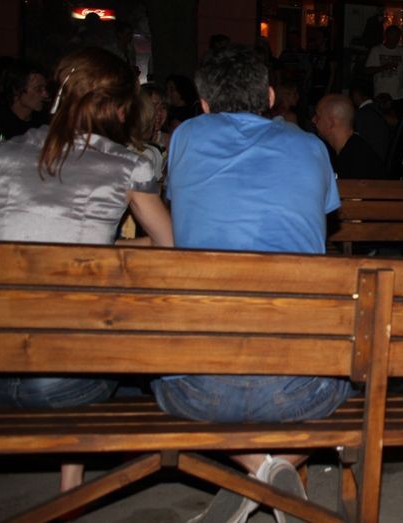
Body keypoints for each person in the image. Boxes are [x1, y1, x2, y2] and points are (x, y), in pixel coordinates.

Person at [153, 44, 350, 522]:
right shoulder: (310, 146)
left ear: (203, 104)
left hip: (198, 388)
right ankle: (273, 471)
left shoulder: (185, 137)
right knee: (349, 380)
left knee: (161, 376)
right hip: (303, 385)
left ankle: (254, 471)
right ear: (269, 97)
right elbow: (326, 213)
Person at [0, 47, 173, 490]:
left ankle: (70, 485)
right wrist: (105, 248)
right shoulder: (127, 165)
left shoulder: (6, 153)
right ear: (117, 108)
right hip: (63, 384)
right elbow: (171, 246)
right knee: (104, 351)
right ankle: (70, 487)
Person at [313, 93, 386, 179]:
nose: (313, 120)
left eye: (317, 116)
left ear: (330, 123)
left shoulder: (357, 161)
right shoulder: (350, 150)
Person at [0, 60, 49, 140]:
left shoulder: (44, 122)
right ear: (16, 89)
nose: (45, 95)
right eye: (38, 89)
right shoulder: (2, 123)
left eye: (45, 88)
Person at [364, 25, 403, 112]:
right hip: (381, 96)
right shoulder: (376, 50)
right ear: (386, 35)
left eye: (397, 36)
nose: (395, 38)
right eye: (392, 35)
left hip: (398, 95)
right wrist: (384, 67)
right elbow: (367, 70)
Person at [349, 78, 391, 162]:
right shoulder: (378, 109)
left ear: (356, 94)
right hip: (383, 159)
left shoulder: (361, 114)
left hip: (370, 160)